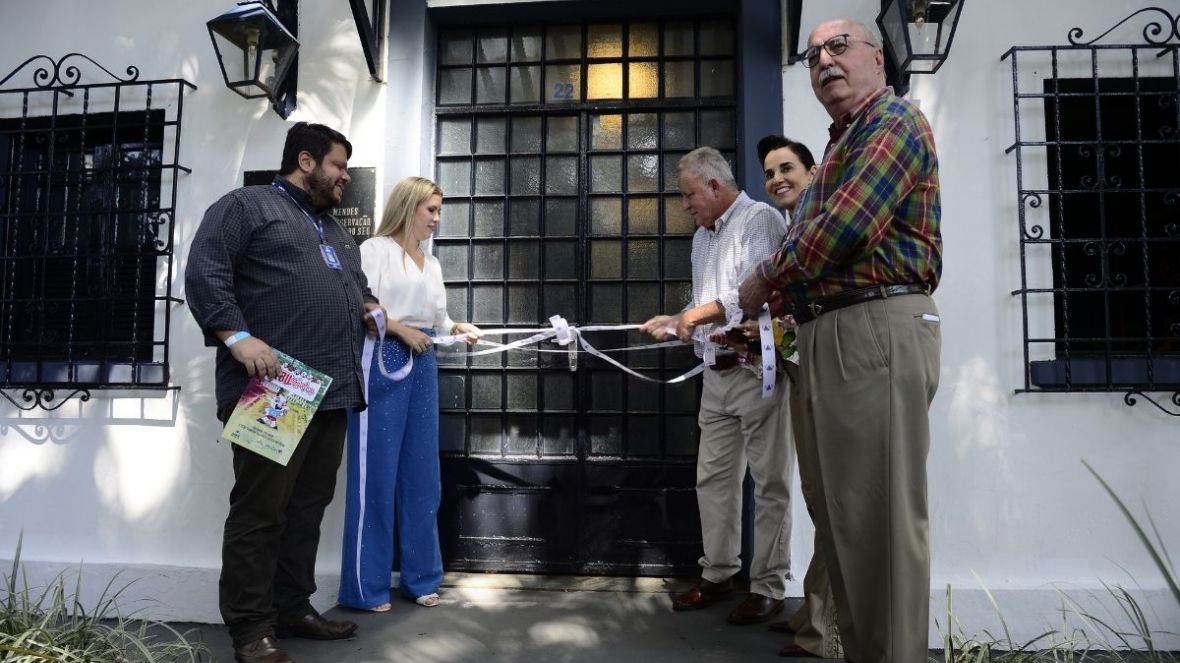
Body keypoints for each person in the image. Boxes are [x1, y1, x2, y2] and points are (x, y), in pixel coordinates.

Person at [738, 19, 942, 663]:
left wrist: (765, 276)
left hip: (872, 328)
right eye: (812, 53)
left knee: (877, 529)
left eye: (838, 47)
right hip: (830, 332)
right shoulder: (841, 145)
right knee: (844, 525)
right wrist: (784, 289)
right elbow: (816, 240)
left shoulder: (893, 123)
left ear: (877, 58)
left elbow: (842, 229)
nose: (823, 60)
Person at [186, 122, 380, 663]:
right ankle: (251, 629)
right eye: (338, 166)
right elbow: (205, 270)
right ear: (306, 160)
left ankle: (293, 608)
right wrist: (237, 336)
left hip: (336, 390)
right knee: (261, 511)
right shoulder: (246, 206)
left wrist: (367, 306)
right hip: (276, 388)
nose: (344, 178)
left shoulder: (336, 231)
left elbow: (356, 289)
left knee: (307, 509)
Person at [639, 146, 795, 626]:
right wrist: (677, 319)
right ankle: (719, 574)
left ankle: (767, 585)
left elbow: (750, 292)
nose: (685, 205)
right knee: (714, 479)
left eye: (689, 195)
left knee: (770, 483)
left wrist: (693, 315)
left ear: (714, 185)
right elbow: (706, 303)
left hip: (756, 371)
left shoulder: (760, 220)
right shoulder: (701, 238)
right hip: (715, 374)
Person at [338, 176, 480, 613]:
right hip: (381, 358)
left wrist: (456, 327)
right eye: (430, 210)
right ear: (408, 207)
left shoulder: (431, 263)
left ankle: (420, 579)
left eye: (439, 210)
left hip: (424, 360)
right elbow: (362, 306)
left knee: (422, 475)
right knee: (375, 476)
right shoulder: (374, 251)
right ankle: (365, 588)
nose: (437, 219)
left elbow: (437, 318)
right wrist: (400, 330)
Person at [755, 135, 844, 660]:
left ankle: (822, 630)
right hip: (799, 368)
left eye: (786, 168)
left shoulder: (816, 225)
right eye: (768, 173)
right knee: (816, 496)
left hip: (827, 370)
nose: (776, 179)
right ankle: (813, 609)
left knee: (830, 497)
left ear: (811, 173)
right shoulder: (795, 227)